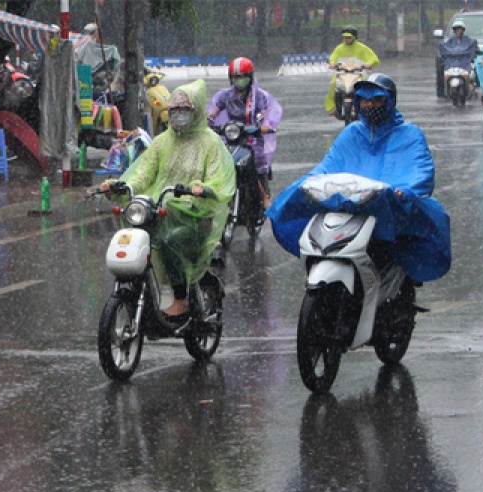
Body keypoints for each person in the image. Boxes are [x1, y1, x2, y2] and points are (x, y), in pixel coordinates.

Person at [268, 74, 451, 285]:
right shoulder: (351, 133)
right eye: (364, 100)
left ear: (390, 101)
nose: (370, 105)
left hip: (385, 210)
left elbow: (419, 171)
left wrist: (405, 190)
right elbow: (328, 166)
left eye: (377, 100)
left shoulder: (409, 134)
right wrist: (308, 183)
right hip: (348, 211)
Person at [101, 80, 236, 318]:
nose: (178, 115)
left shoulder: (210, 143)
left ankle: (181, 298)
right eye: (174, 110)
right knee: (140, 239)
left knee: (167, 240)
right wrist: (121, 187)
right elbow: (143, 174)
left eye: (185, 110)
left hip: (195, 217)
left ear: (196, 111)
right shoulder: (162, 141)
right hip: (161, 210)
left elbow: (219, 180)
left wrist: (201, 189)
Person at [207, 57, 283, 209]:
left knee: (257, 165)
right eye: (236, 77)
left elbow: (264, 113)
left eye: (242, 77)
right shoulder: (226, 96)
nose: (239, 80)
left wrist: (264, 126)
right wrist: (206, 121)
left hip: (252, 135)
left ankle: (265, 197)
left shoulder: (258, 96)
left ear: (250, 77)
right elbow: (213, 112)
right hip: (232, 137)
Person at [324, 26, 380, 118]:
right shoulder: (339, 48)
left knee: (365, 86)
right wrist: (332, 63)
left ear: (354, 37)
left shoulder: (362, 48)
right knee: (334, 84)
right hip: (342, 73)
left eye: (349, 37)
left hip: (358, 74)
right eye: (345, 37)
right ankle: (333, 107)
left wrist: (369, 64)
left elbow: (373, 58)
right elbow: (333, 57)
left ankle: (367, 106)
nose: (347, 39)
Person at [77, 22, 122, 101]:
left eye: (91, 32)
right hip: (86, 78)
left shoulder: (107, 49)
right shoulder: (85, 45)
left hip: (98, 82)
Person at [438, 19, 479, 92]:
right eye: (456, 29)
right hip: (452, 63)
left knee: (474, 71)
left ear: (463, 30)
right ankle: (443, 90)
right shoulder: (451, 40)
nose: (458, 31)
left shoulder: (468, 40)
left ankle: (470, 85)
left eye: (459, 29)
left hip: (464, 62)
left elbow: (473, 48)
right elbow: (446, 48)